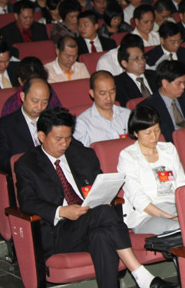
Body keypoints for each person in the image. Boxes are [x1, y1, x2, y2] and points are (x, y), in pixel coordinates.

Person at [14, 107, 176, 288]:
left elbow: (102, 184)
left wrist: (106, 196)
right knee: (104, 213)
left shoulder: (82, 155)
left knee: (102, 235)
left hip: (92, 221)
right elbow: (27, 202)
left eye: (68, 137)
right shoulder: (27, 164)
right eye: (58, 138)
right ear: (42, 136)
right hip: (59, 232)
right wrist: (61, 211)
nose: (64, 143)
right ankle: (141, 275)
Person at [117, 105, 185, 234]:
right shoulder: (128, 156)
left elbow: (182, 185)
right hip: (146, 215)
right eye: (148, 133)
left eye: (157, 130)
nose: (154, 136)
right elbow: (137, 198)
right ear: (135, 133)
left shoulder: (169, 149)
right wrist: (171, 217)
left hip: (175, 207)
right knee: (178, 228)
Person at [0, 78, 51, 174]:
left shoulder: (54, 120)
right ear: (23, 96)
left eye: (44, 102)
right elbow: (1, 161)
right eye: (35, 101)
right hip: (26, 176)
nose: (40, 107)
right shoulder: (4, 125)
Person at [137, 60, 185, 142]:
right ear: (165, 83)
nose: (183, 86)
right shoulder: (148, 107)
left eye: (184, 82)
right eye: (179, 83)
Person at [74, 71, 132, 148]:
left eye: (112, 92)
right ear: (92, 93)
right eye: (103, 93)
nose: (108, 98)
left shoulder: (128, 115)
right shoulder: (82, 123)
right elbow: (83, 153)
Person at [114, 36, 159, 106]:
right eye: (136, 59)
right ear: (124, 63)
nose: (142, 61)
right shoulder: (118, 84)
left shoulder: (155, 75)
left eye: (143, 57)